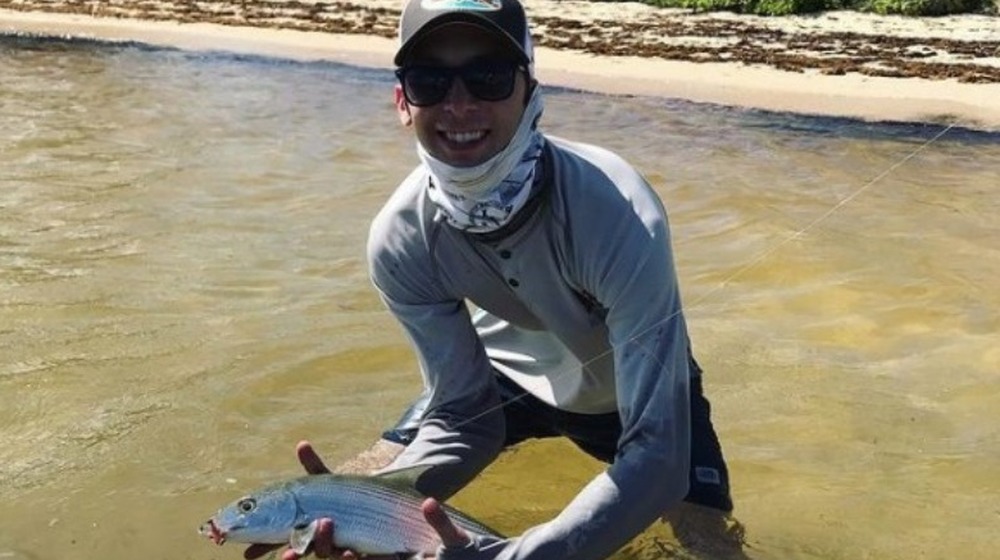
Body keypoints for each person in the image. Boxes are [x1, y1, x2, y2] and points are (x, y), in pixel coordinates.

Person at [247, 0, 743, 558]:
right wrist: (356, 510)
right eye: (429, 80)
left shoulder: (620, 213)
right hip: (499, 380)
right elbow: (463, 416)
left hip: (630, 395)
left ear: (530, 90)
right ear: (402, 102)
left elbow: (658, 459)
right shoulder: (399, 237)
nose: (459, 104)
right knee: (358, 482)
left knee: (710, 543)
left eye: (488, 77)